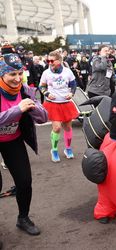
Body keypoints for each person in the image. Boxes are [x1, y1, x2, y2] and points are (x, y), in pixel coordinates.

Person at [0, 53, 48, 235]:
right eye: (12, 74)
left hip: (13, 140)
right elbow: (12, 113)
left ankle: (23, 218)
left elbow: (44, 118)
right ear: (2, 75)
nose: (17, 78)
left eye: (20, 73)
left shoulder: (24, 90)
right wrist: (17, 110)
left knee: (24, 181)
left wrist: (34, 107)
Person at [39, 50, 78, 162]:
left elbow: (73, 84)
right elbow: (41, 86)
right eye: (48, 60)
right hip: (53, 104)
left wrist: (71, 93)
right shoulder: (46, 73)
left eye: (52, 60)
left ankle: (68, 149)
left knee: (68, 128)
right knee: (57, 128)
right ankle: (54, 150)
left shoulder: (67, 72)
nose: (50, 62)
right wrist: (47, 93)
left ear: (60, 61)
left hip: (65, 104)